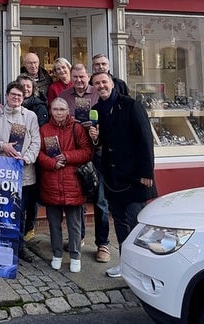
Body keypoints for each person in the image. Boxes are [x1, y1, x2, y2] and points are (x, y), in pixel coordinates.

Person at [89, 71, 156, 278]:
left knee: (136, 221)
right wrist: (95, 138)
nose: (101, 86)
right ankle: (125, 264)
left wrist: (147, 172)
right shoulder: (96, 110)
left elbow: (146, 140)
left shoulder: (130, 105)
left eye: (104, 82)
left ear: (112, 83)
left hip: (135, 175)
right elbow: (101, 145)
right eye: (97, 84)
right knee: (118, 221)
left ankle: (144, 268)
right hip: (112, 177)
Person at [58, 64, 110, 263]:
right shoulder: (64, 94)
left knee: (100, 201)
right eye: (75, 77)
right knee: (77, 199)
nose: (79, 80)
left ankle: (103, 244)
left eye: (82, 76)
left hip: (97, 154)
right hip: (75, 153)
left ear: (88, 77)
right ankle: (77, 238)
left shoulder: (97, 93)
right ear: (71, 77)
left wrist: (95, 128)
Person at [0, 81, 40, 263]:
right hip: (2, 173)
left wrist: (27, 158)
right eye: (13, 94)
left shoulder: (30, 116)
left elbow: (36, 142)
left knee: (20, 212)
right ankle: (2, 247)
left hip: (24, 172)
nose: (16, 98)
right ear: (7, 95)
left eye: (20, 95)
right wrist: (3, 146)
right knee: (3, 212)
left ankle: (19, 247)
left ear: (24, 98)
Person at [37, 97, 93, 273]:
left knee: (74, 224)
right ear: (51, 110)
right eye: (55, 109)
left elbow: (86, 152)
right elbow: (38, 153)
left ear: (68, 110)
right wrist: (52, 163)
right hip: (51, 182)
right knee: (54, 223)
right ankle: (57, 254)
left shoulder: (76, 128)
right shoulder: (45, 129)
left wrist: (67, 157)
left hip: (73, 182)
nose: (59, 113)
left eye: (62, 109)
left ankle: (75, 255)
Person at [14, 74, 48, 242]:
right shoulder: (11, 106)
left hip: (32, 159)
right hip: (13, 160)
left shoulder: (39, 107)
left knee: (31, 197)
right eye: (23, 86)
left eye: (29, 86)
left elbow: (39, 136)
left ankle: (29, 227)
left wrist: (28, 155)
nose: (26, 89)